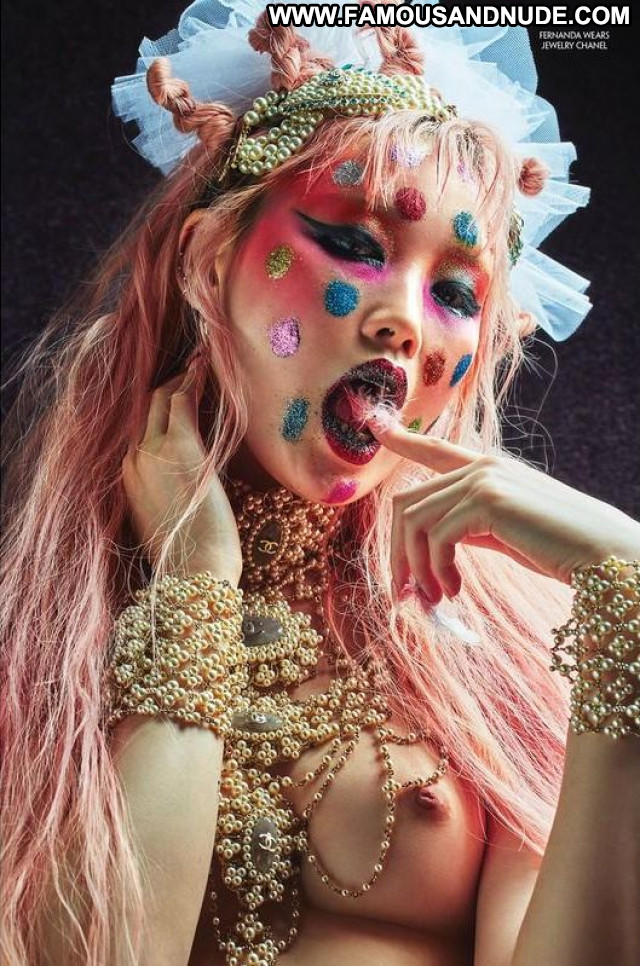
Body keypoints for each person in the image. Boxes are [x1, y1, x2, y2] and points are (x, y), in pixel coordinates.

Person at [1, 3, 638, 965]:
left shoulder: (514, 643)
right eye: (357, 247)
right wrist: (195, 587)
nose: (404, 322)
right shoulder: (47, 614)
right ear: (212, 259)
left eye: (455, 293)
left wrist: (628, 605)